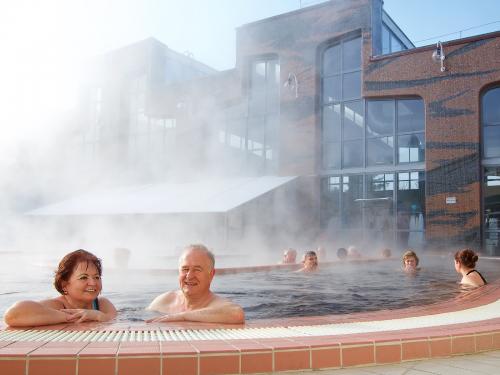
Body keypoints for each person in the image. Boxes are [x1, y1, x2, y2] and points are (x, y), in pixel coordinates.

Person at [4, 249, 116, 327]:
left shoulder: (102, 304)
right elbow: (12, 315)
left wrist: (97, 315)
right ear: (64, 285)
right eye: (83, 277)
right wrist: (69, 317)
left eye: (97, 277)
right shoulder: (57, 306)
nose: (93, 283)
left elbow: (115, 322)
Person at [147, 244, 245, 324]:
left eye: (197, 270)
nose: (189, 276)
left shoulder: (217, 304)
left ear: (211, 274)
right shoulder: (165, 301)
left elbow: (237, 314)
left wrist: (183, 316)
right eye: (185, 269)